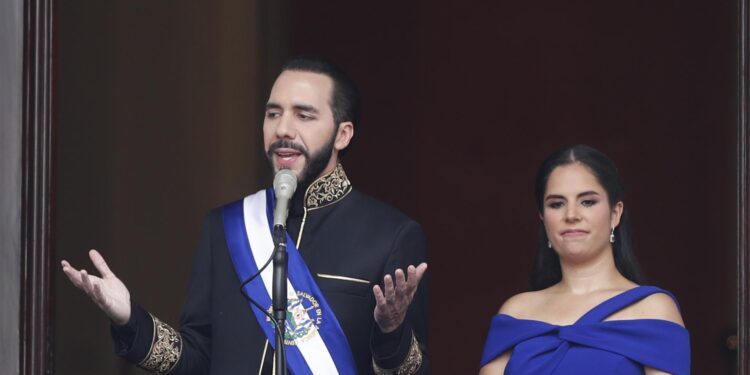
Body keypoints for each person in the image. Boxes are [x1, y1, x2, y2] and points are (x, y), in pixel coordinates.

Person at [61, 57, 429, 375]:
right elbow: (197, 359)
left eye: (304, 115)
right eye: (273, 114)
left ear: (342, 134)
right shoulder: (226, 227)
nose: (283, 129)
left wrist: (391, 333)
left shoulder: (390, 235)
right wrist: (131, 319)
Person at [479, 145, 690, 375]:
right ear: (542, 216)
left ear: (615, 213)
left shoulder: (653, 309)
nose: (571, 215)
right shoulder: (516, 313)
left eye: (587, 202)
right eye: (556, 204)